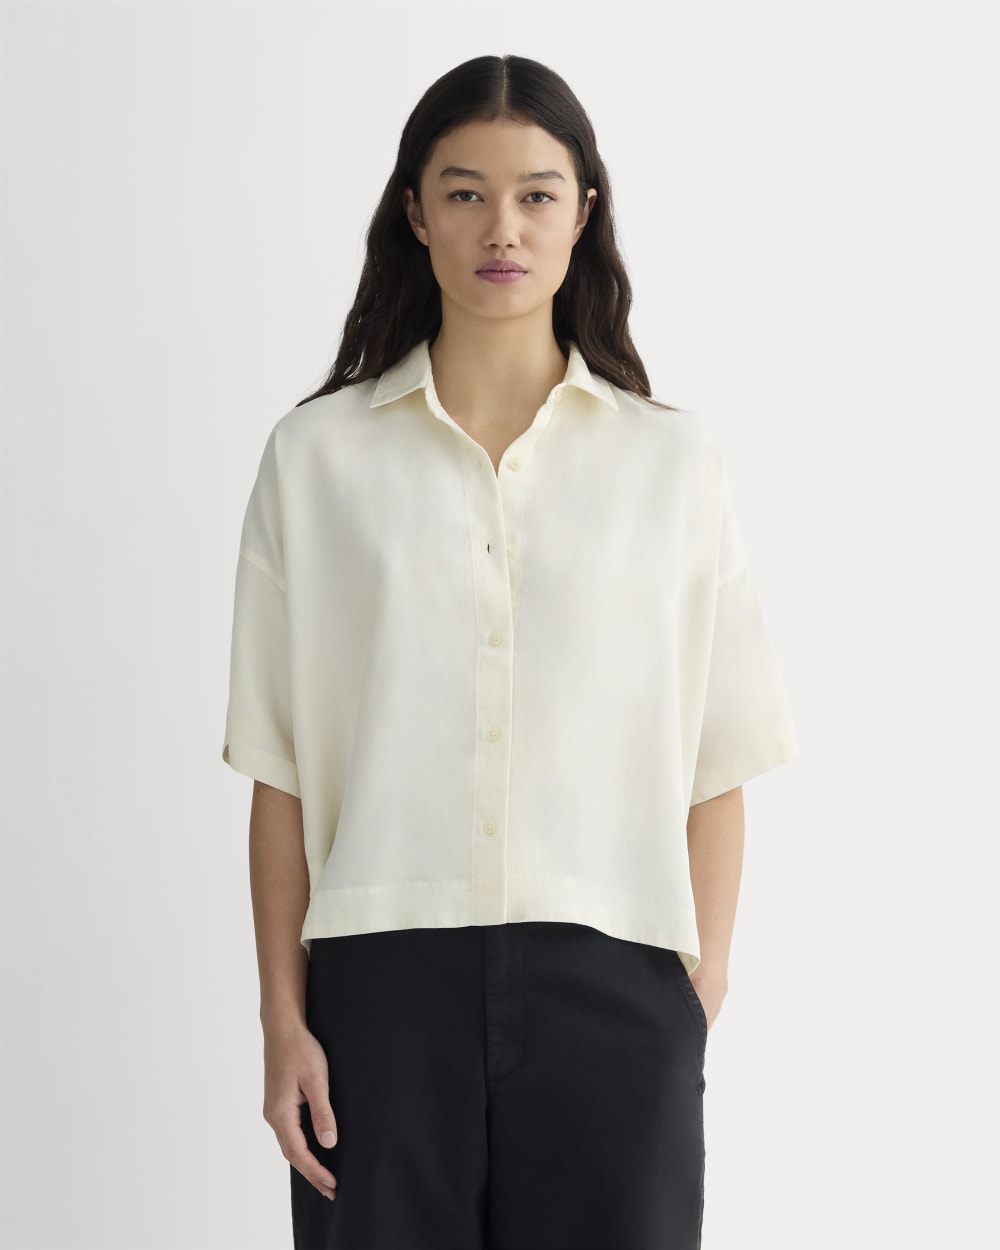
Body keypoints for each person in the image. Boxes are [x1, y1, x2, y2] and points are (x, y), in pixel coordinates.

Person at [222, 53, 798, 1250]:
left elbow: (718, 758)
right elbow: (280, 769)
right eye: (466, 192)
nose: (502, 227)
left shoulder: (671, 463)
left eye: (536, 194)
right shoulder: (317, 459)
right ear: (415, 211)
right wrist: (285, 1017)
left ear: (582, 213)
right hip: (380, 988)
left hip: (616, 987)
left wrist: (692, 1002)